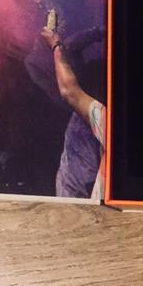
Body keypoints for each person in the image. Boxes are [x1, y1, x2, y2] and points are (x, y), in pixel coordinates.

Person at [40, 23, 106, 200]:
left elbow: (70, 91)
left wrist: (55, 44)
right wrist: (99, 31)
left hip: (78, 194)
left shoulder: (105, 121)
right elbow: (71, 46)